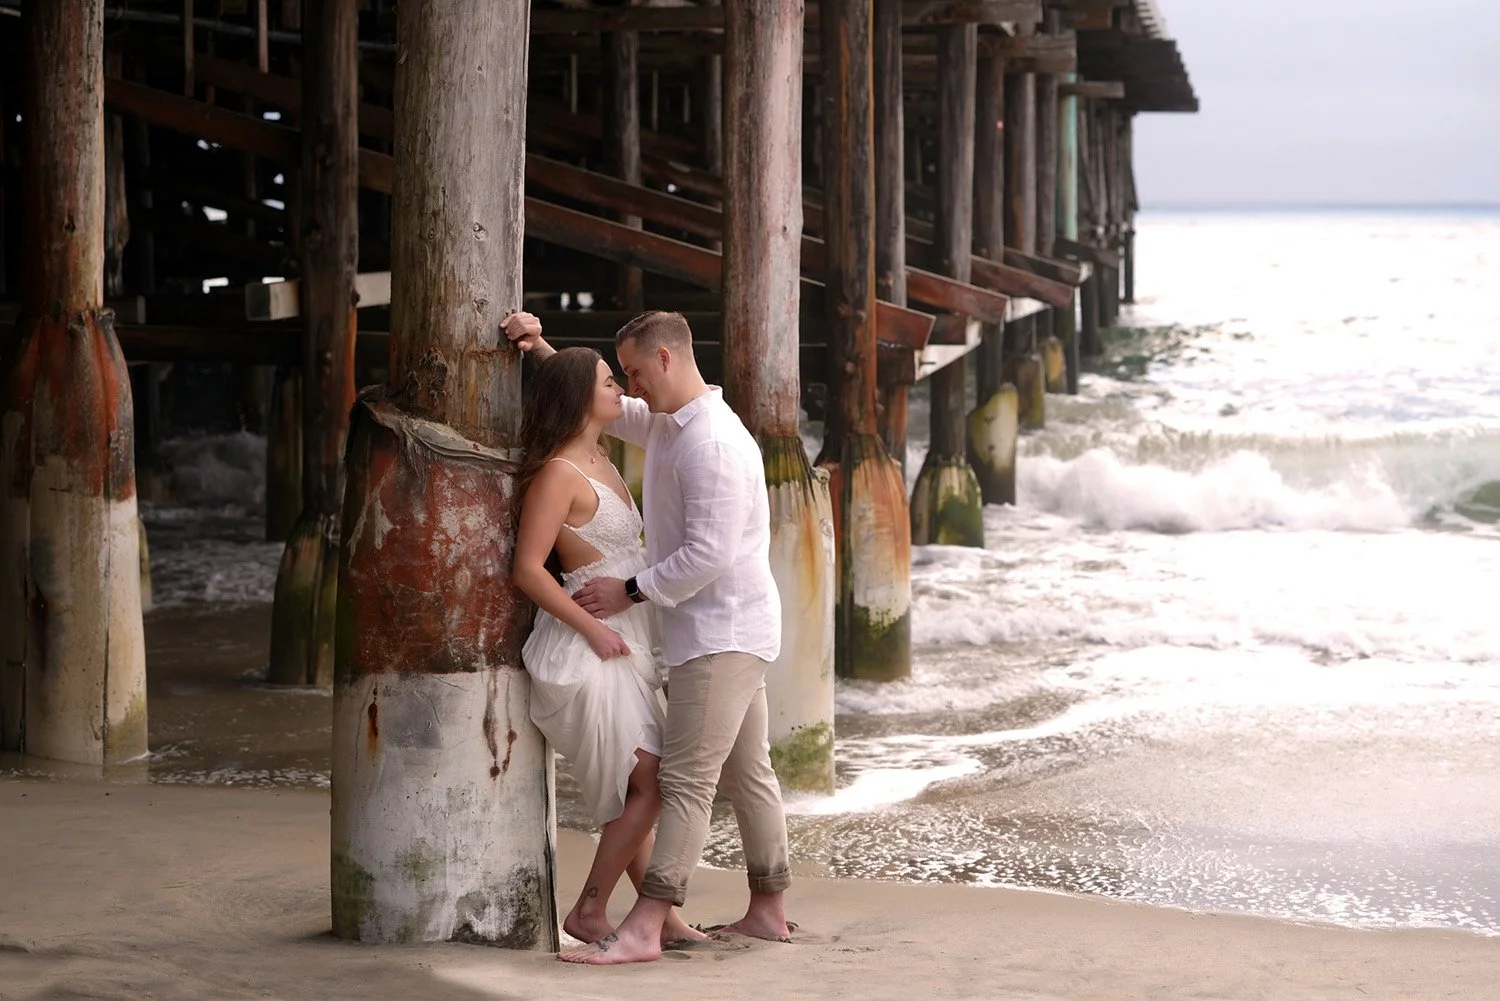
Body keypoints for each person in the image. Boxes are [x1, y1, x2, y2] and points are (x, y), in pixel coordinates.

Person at [502, 310, 793, 966]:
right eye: (617, 377)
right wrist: (541, 348)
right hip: (717, 630)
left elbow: (708, 554)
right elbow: (592, 403)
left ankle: (645, 922)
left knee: (684, 780)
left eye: (632, 372)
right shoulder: (669, 422)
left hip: (718, 633)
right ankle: (768, 909)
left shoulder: (709, 442)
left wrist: (628, 591)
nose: (627, 387)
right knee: (749, 772)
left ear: (665, 360)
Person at [510, 344, 705, 949]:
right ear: (578, 398)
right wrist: (593, 628)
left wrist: (539, 341)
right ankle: (591, 910)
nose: (620, 388)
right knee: (648, 781)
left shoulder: (603, 456)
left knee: (637, 786)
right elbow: (528, 570)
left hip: (625, 643)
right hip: (583, 647)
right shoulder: (557, 473)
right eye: (606, 382)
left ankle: (662, 918)